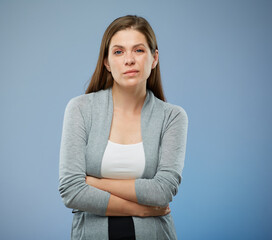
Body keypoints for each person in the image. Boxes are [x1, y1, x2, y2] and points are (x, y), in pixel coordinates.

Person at [59, 15, 188, 240]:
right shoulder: (81, 109)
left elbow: (162, 191)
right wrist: (139, 209)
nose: (129, 60)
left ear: (154, 58)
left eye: (138, 50)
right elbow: (71, 191)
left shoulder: (172, 117)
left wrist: (93, 182)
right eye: (119, 52)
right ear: (107, 62)